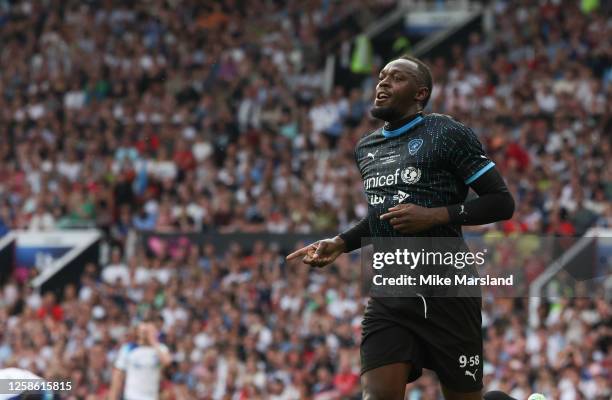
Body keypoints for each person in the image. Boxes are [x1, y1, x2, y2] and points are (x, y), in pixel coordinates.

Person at [287, 55, 526, 400]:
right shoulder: (367, 147)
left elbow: (502, 202)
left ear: (420, 93)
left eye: (396, 78)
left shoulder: (447, 133)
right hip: (392, 290)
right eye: (382, 76)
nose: (383, 83)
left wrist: (435, 216)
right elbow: (382, 214)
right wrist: (342, 242)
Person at [109, 322, 172, 400]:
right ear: (138, 332)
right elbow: (117, 377)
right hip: (131, 397)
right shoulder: (128, 348)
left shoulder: (161, 348)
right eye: (143, 331)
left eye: (149, 330)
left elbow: (167, 361)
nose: (146, 333)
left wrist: (153, 341)